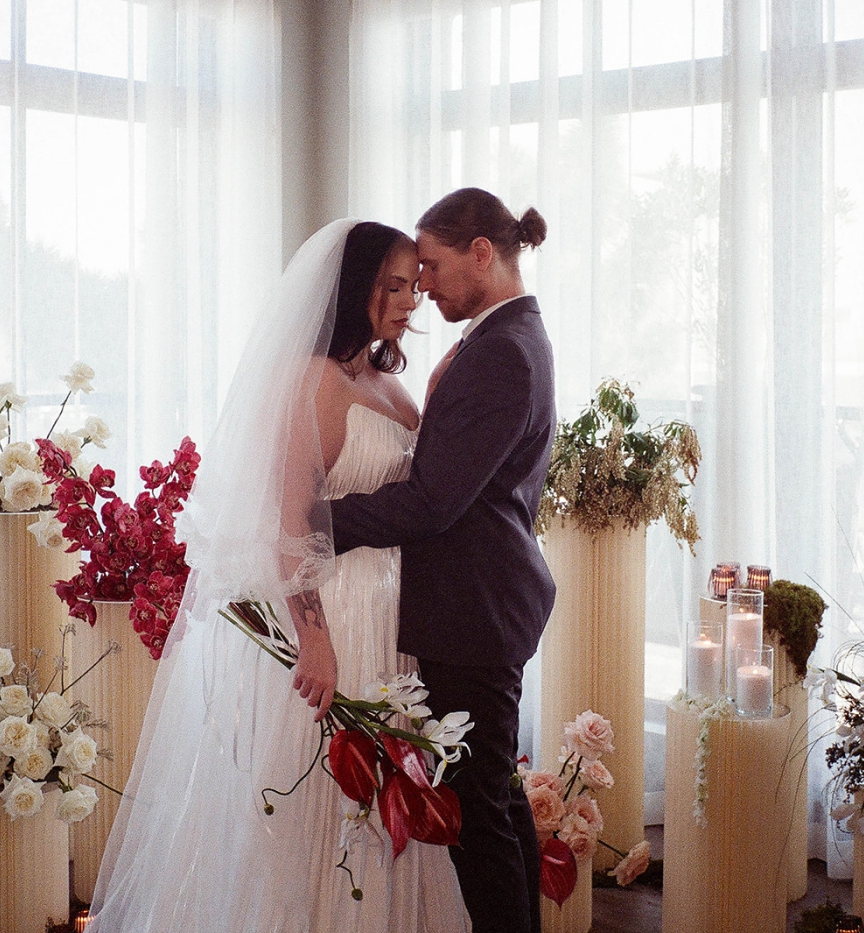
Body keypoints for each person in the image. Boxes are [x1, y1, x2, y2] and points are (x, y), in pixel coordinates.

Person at [88, 219, 471, 933]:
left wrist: (447, 380)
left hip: (393, 619)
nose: (408, 300)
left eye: (411, 285)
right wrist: (313, 637)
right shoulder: (315, 382)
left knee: (387, 791)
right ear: (353, 289)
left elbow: (426, 475)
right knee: (323, 794)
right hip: (340, 612)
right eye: (391, 286)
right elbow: (291, 521)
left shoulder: (387, 381)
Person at [330, 188, 556, 933]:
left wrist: (318, 519)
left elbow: (431, 503)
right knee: (492, 796)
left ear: (481, 254)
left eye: (429, 265)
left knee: (475, 814)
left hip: (474, 608)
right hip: (480, 600)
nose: (421, 284)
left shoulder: (500, 352)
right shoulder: (509, 338)